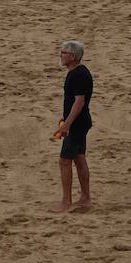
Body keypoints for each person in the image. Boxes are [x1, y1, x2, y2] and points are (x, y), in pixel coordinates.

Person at [51, 39, 93, 213]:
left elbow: (79, 103)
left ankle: (66, 202)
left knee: (64, 161)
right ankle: (85, 198)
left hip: (76, 124)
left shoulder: (78, 75)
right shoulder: (76, 72)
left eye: (64, 53)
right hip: (79, 122)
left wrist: (66, 125)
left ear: (73, 56)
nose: (61, 55)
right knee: (79, 158)